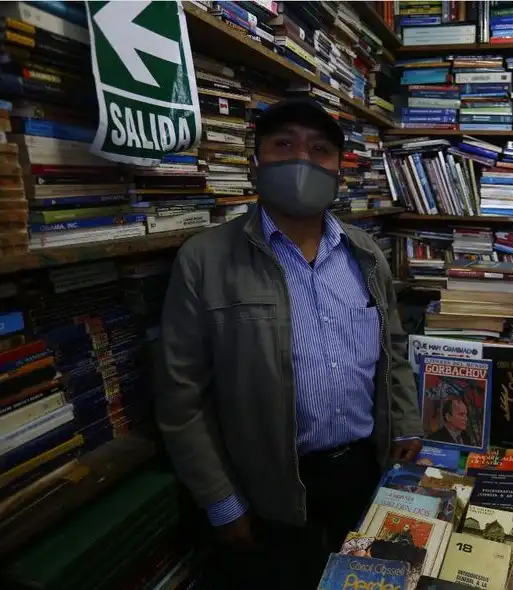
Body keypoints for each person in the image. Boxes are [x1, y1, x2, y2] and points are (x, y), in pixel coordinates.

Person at [155, 98, 423, 587]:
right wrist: (222, 501)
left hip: (364, 471)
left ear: (340, 170)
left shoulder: (365, 255)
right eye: (284, 145)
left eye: (320, 149)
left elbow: (393, 351)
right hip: (267, 486)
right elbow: (180, 399)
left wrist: (405, 423)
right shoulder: (205, 260)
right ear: (254, 163)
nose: (302, 160)